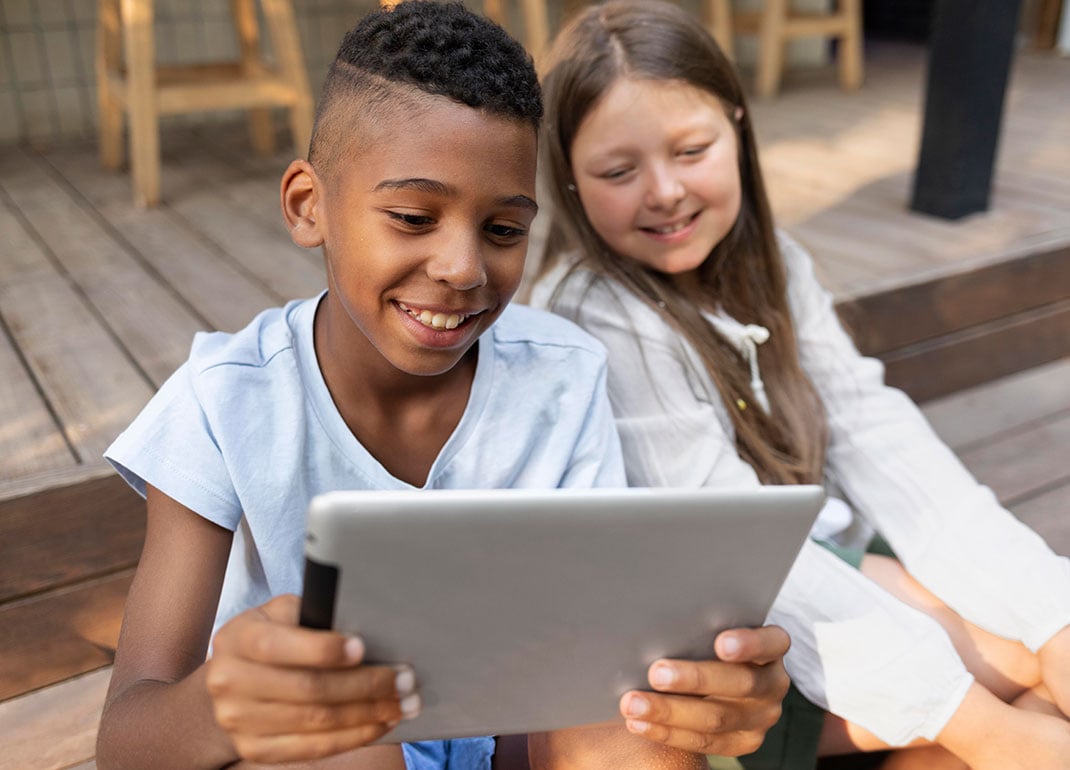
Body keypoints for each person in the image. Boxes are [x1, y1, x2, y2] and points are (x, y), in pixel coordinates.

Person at [94, 3, 791, 769]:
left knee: (626, 724)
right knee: (338, 743)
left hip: (509, 742)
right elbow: (128, 739)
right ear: (308, 205)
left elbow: (579, 665)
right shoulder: (225, 404)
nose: (463, 268)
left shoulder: (563, 375)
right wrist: (223, 702)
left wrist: (684, 695)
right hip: (312, 755)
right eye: (413, 216)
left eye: (503, 230)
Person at [527, 2, 1070, 769]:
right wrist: (986, 723)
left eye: (691, 149)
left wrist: (1056, 623)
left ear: (739, 129)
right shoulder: (596, 313)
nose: (665, 191)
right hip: (729, 628)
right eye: (618, 171)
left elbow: (872, 426)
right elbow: (725, 537)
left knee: (1038, 647)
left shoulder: (771, 258)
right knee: (1011, 675)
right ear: (571, 181)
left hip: (811, 544)